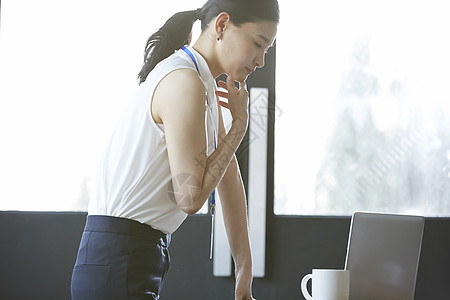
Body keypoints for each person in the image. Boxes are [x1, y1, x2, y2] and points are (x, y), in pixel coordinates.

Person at [70, 0, 279, 299]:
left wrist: (244, 274)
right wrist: (239, 127)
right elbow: (190, 197)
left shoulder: (200, 81)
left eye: (267, 50)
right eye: (258, 44)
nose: (261, 61)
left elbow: (228, 177)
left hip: (133, 255)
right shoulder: (184, 81)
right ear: (221, 25)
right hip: (118, 259)